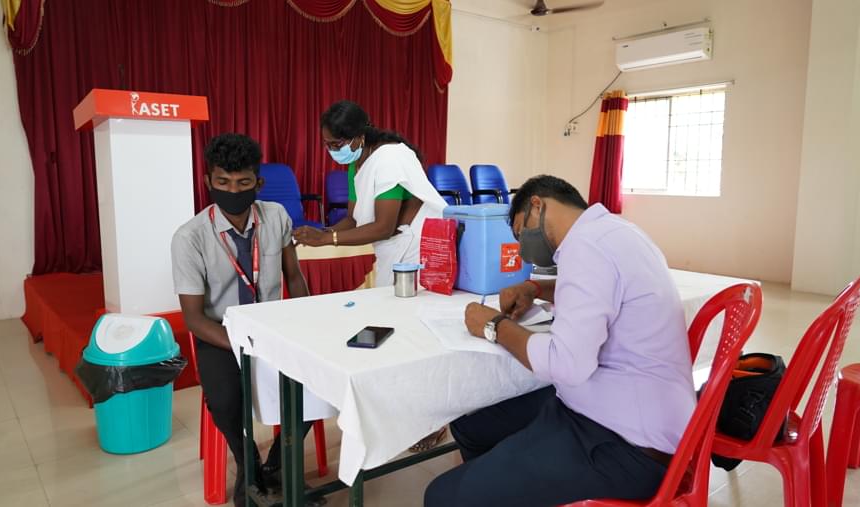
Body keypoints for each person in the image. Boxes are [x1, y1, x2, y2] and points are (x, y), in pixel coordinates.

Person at [424, 175, 697, 506]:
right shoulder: (613, 231)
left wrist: (493, 325)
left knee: (442, 497)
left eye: (520, 234)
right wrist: (535, 289)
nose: (523, 250)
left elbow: (566, 364)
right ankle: (505, 481)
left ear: (537, 205)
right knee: (473, 424)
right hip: (613, 407)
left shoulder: (586, 246)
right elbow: (599, 289)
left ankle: (494, 486)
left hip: (627, 445)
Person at [171, 134, 321, 507]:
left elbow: (295, 276)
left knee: (320, 384)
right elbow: (193, 317)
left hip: (275, 328)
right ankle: (247, 460)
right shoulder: (189, 238)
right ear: (208, 182)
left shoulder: (277, 216)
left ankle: (278, 463)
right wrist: (243, 343)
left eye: (243, 182)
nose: (232, 190)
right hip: (219, 334)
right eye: (222, 182)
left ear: (258, 182)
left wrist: (302, 324)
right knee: (224, 400)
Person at [293, 100, 448, 287]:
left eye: (337, 144)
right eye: (328, 145)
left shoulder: (388, 159)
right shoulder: (355, 164)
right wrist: (321, 232)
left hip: (419, 244)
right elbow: (352, 219)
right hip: (392, 246)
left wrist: (325, 239)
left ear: (359, 137)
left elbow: (384, 227)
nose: (333, 151)